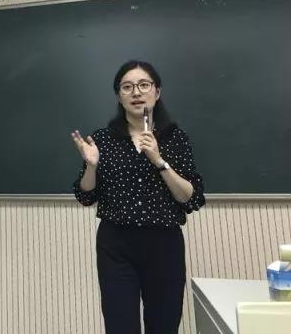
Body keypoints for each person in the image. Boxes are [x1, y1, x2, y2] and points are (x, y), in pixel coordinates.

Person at [71, 60, 205, 334]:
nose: (136, 92)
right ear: (119, 96)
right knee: (120, 325)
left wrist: (159, 160)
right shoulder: (103, 139)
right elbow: (86, 195)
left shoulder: (175, 138)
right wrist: (92, 166)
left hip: (164, 245)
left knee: (164, 325)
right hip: (116, 245)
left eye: (144, 85)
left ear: (157, 92)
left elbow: (189, 198)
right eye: (127, 87)